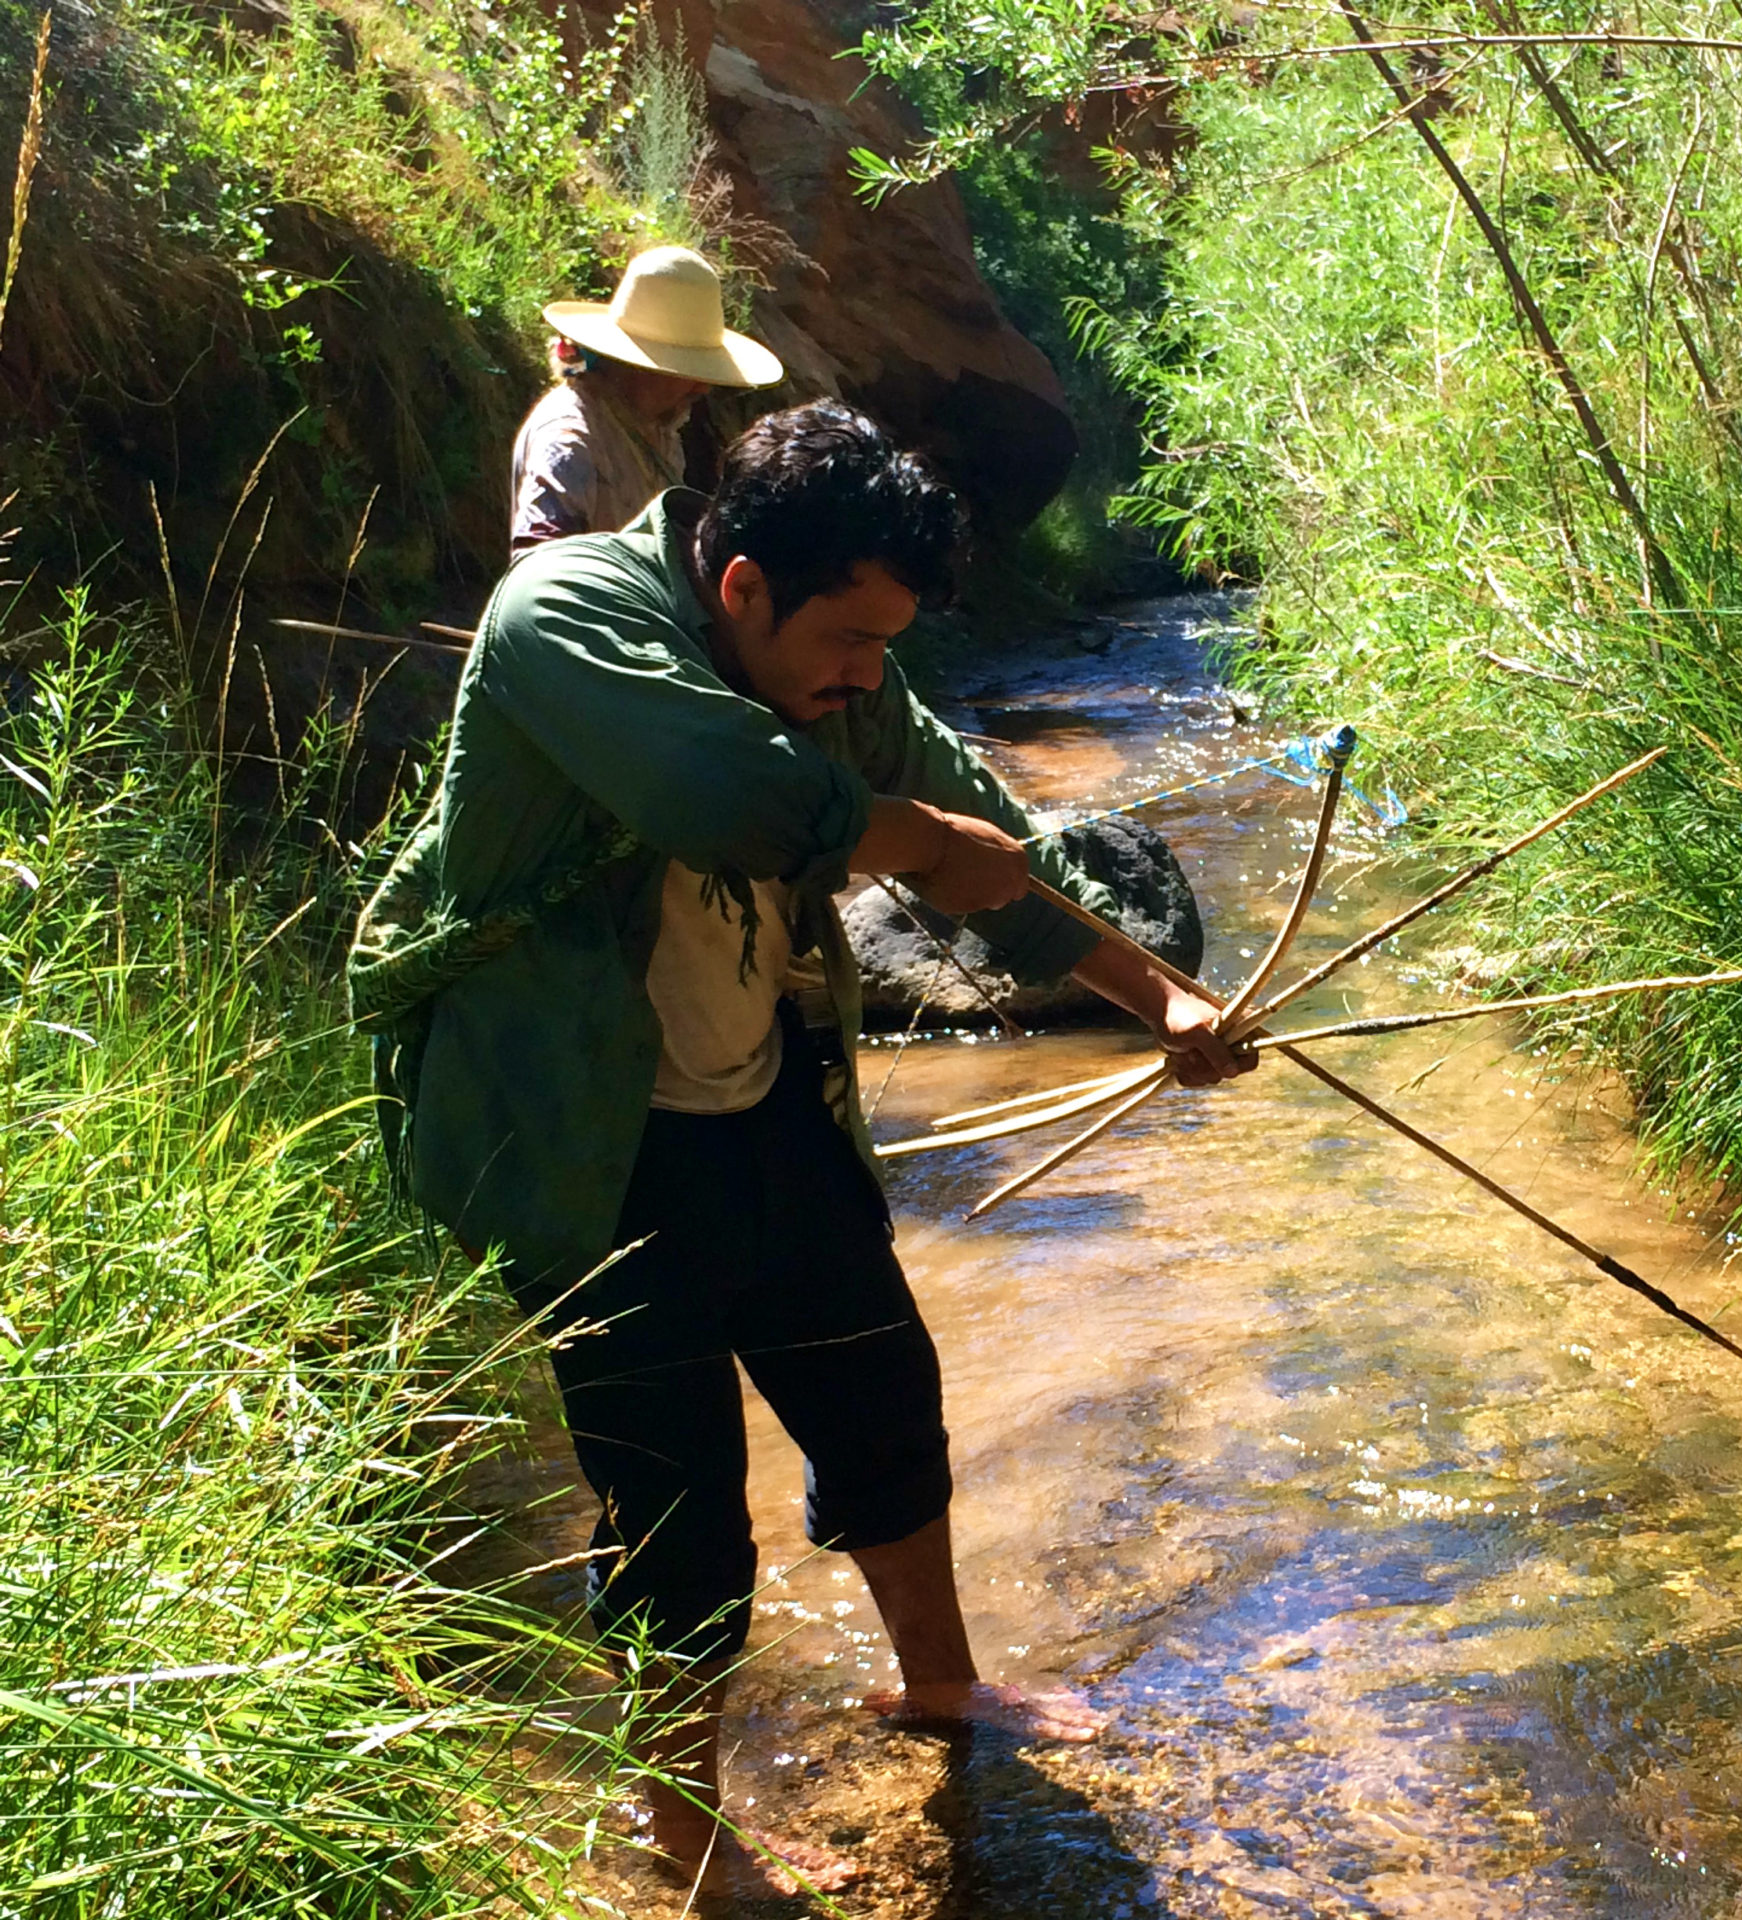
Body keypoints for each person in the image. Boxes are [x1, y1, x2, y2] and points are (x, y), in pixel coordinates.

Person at [350, 401, 1253, 1896]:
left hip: (764, 1102)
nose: (865, 676)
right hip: (587, 1142)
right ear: (741, 585)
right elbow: (725, 799)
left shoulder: (846, 681)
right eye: (848, 638)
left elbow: (985, 850)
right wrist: (913, 844)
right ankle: (681, 1827)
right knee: (677, 1509)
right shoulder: (566, 613)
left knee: (887, 1401)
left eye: (890, 646)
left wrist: (1160, 993)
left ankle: (942, 1688)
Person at [509, 244, 783, 555]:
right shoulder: (570, 441)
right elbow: (539, 568)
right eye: (686, 371)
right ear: (636, 365)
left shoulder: (657, 430)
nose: (701, 388)